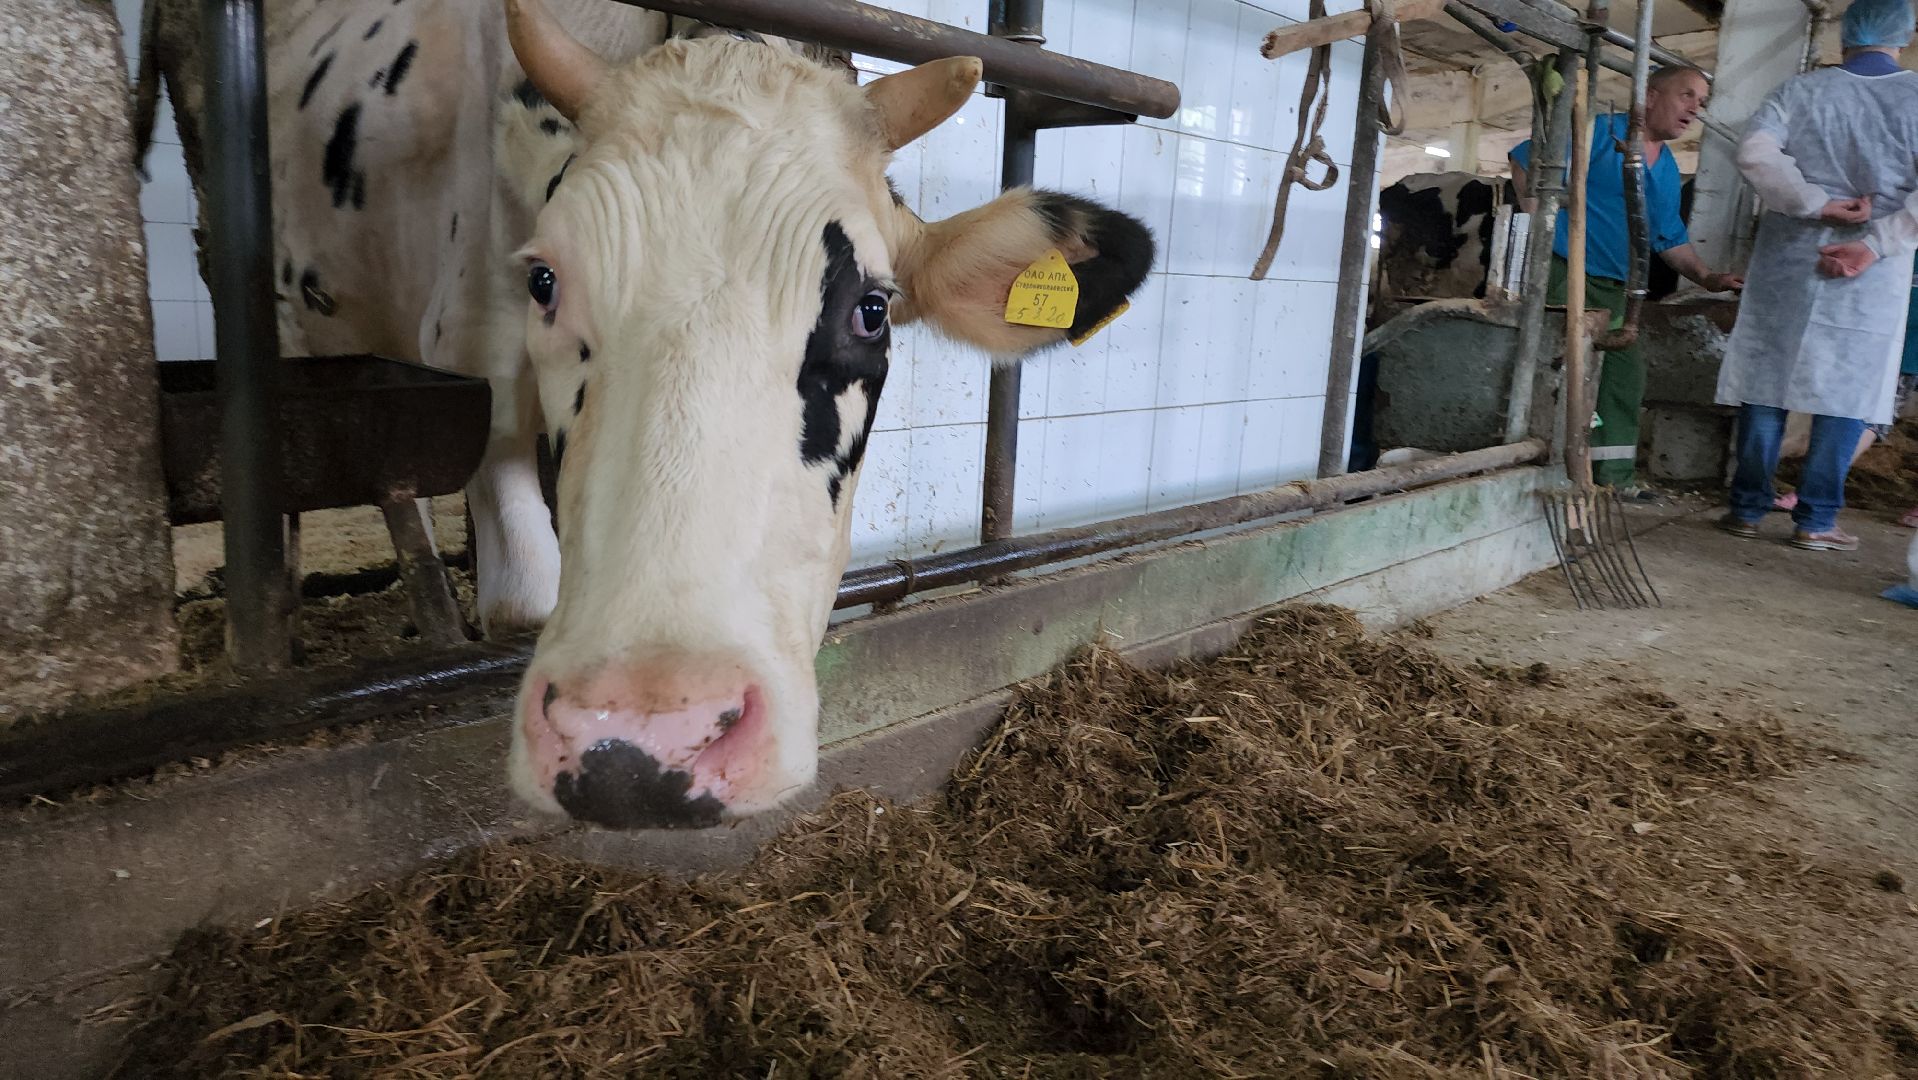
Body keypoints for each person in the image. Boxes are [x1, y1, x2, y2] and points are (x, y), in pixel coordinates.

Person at [1714, 0, 1918, 552]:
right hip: (1873, 272)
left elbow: (1755, 153)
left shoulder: (1801, 90)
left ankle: (1747, 508)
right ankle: (1816, 519)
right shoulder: (1915, 96)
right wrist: (1873, 246)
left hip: (1791, 258)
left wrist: (1815, 202)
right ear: (1905, 34)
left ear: (1843, 35)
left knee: (1767, 380)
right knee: (1849, 392)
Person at [1510, 66, 1745, 498]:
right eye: (1687, 95)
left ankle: (1611, 479)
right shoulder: (1598, 133)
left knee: (1624, 377)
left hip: (1616, 288)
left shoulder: (1669, 170)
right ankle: (1545, 464)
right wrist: (1541, 221)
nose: (1695, 109)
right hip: (1566, 273)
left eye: (1702, 102)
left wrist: (1707, 276)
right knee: (1564, 374)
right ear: (1651, 95)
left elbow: (1667, 237)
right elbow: (1525, 157)